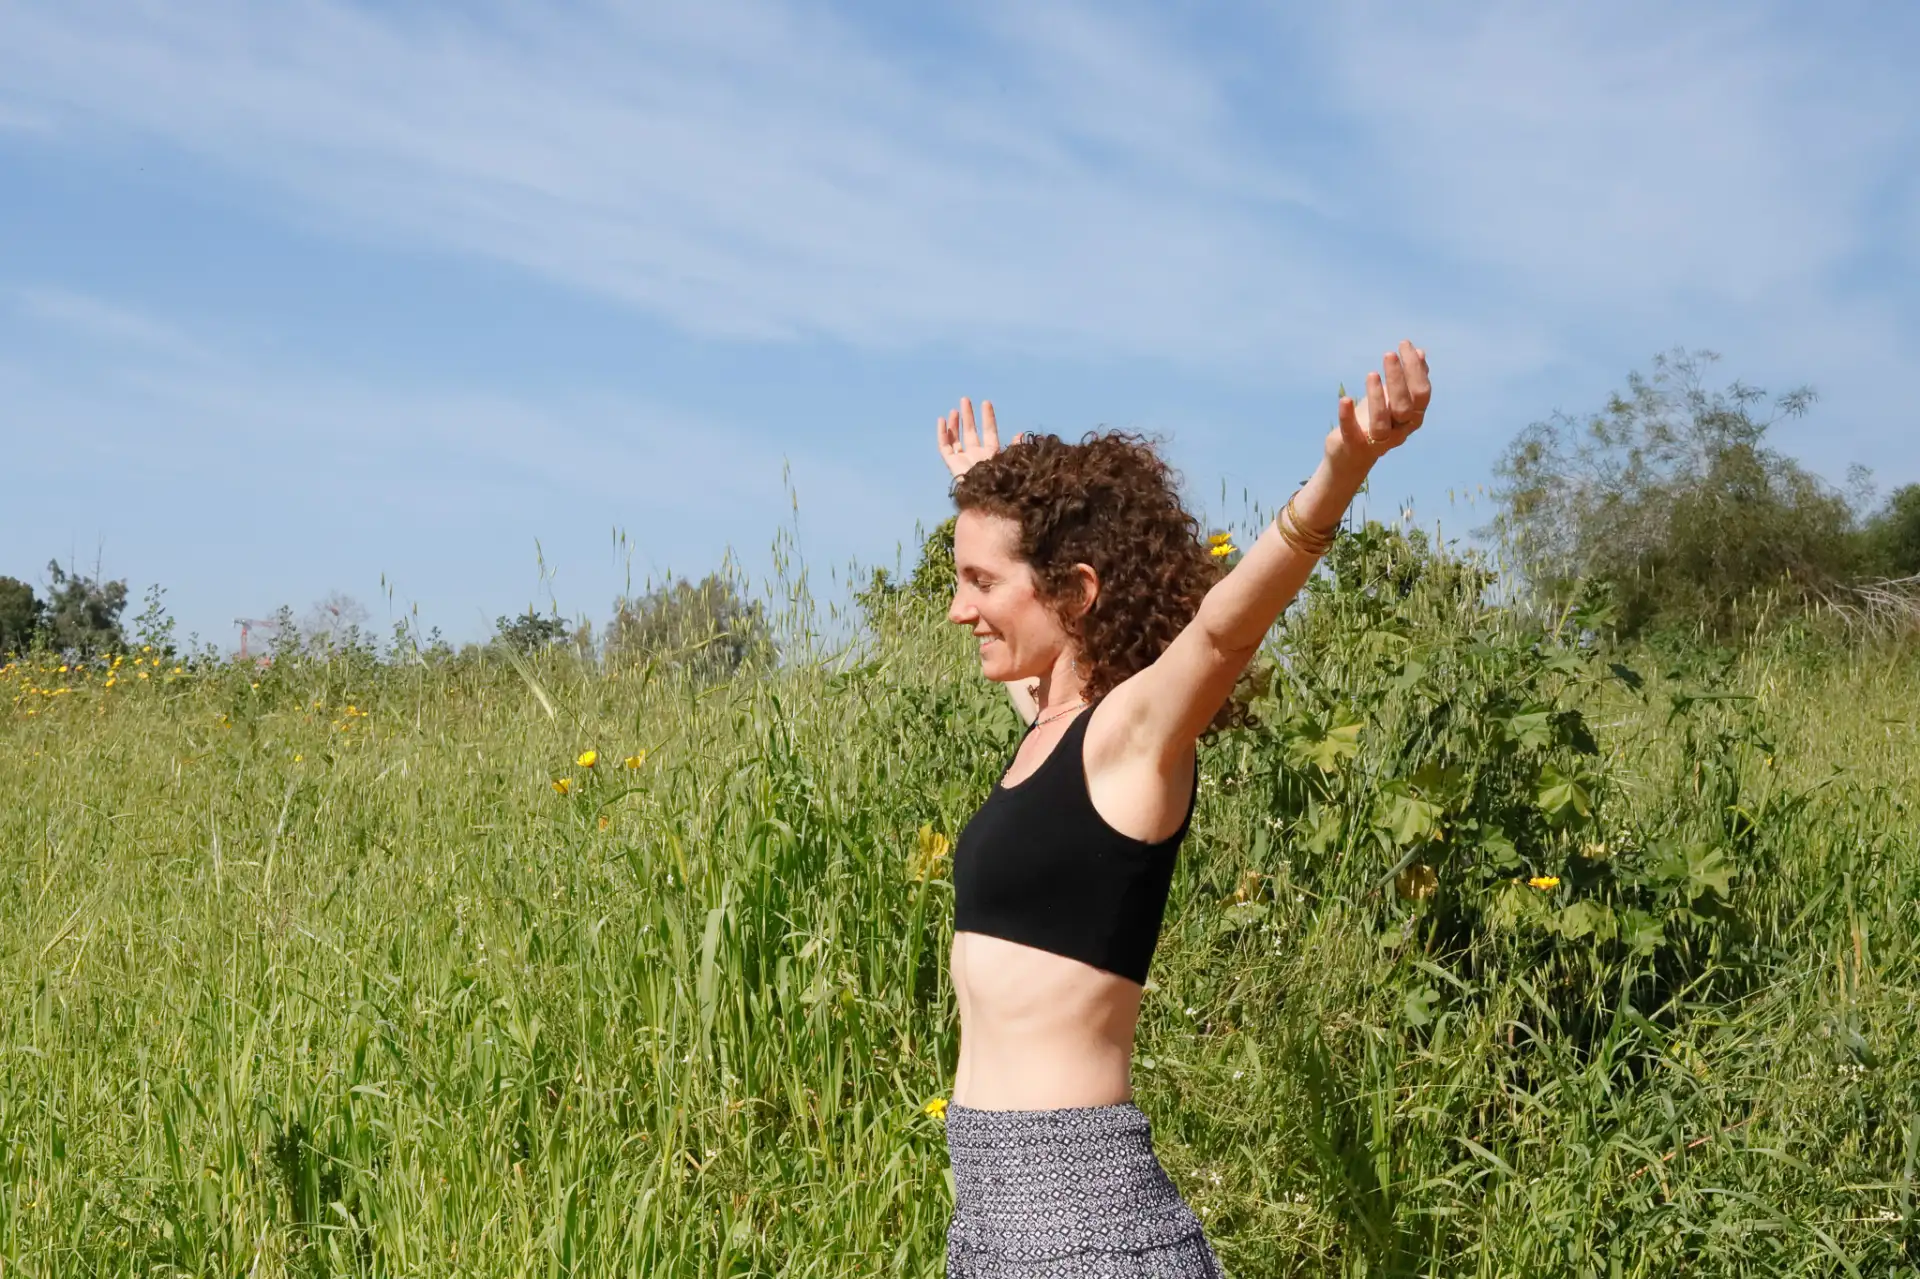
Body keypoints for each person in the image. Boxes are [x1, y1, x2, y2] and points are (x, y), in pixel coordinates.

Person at [931, 342, 1432, 1276]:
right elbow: (1050, 692)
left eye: (983, 583)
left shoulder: (1133, 737)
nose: (961, 610)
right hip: (991, 1213)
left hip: (1081, 1222)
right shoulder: (1051, 727)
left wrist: (1344, 471)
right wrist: (987, 490)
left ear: (1076, 590)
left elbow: (1222, 627)